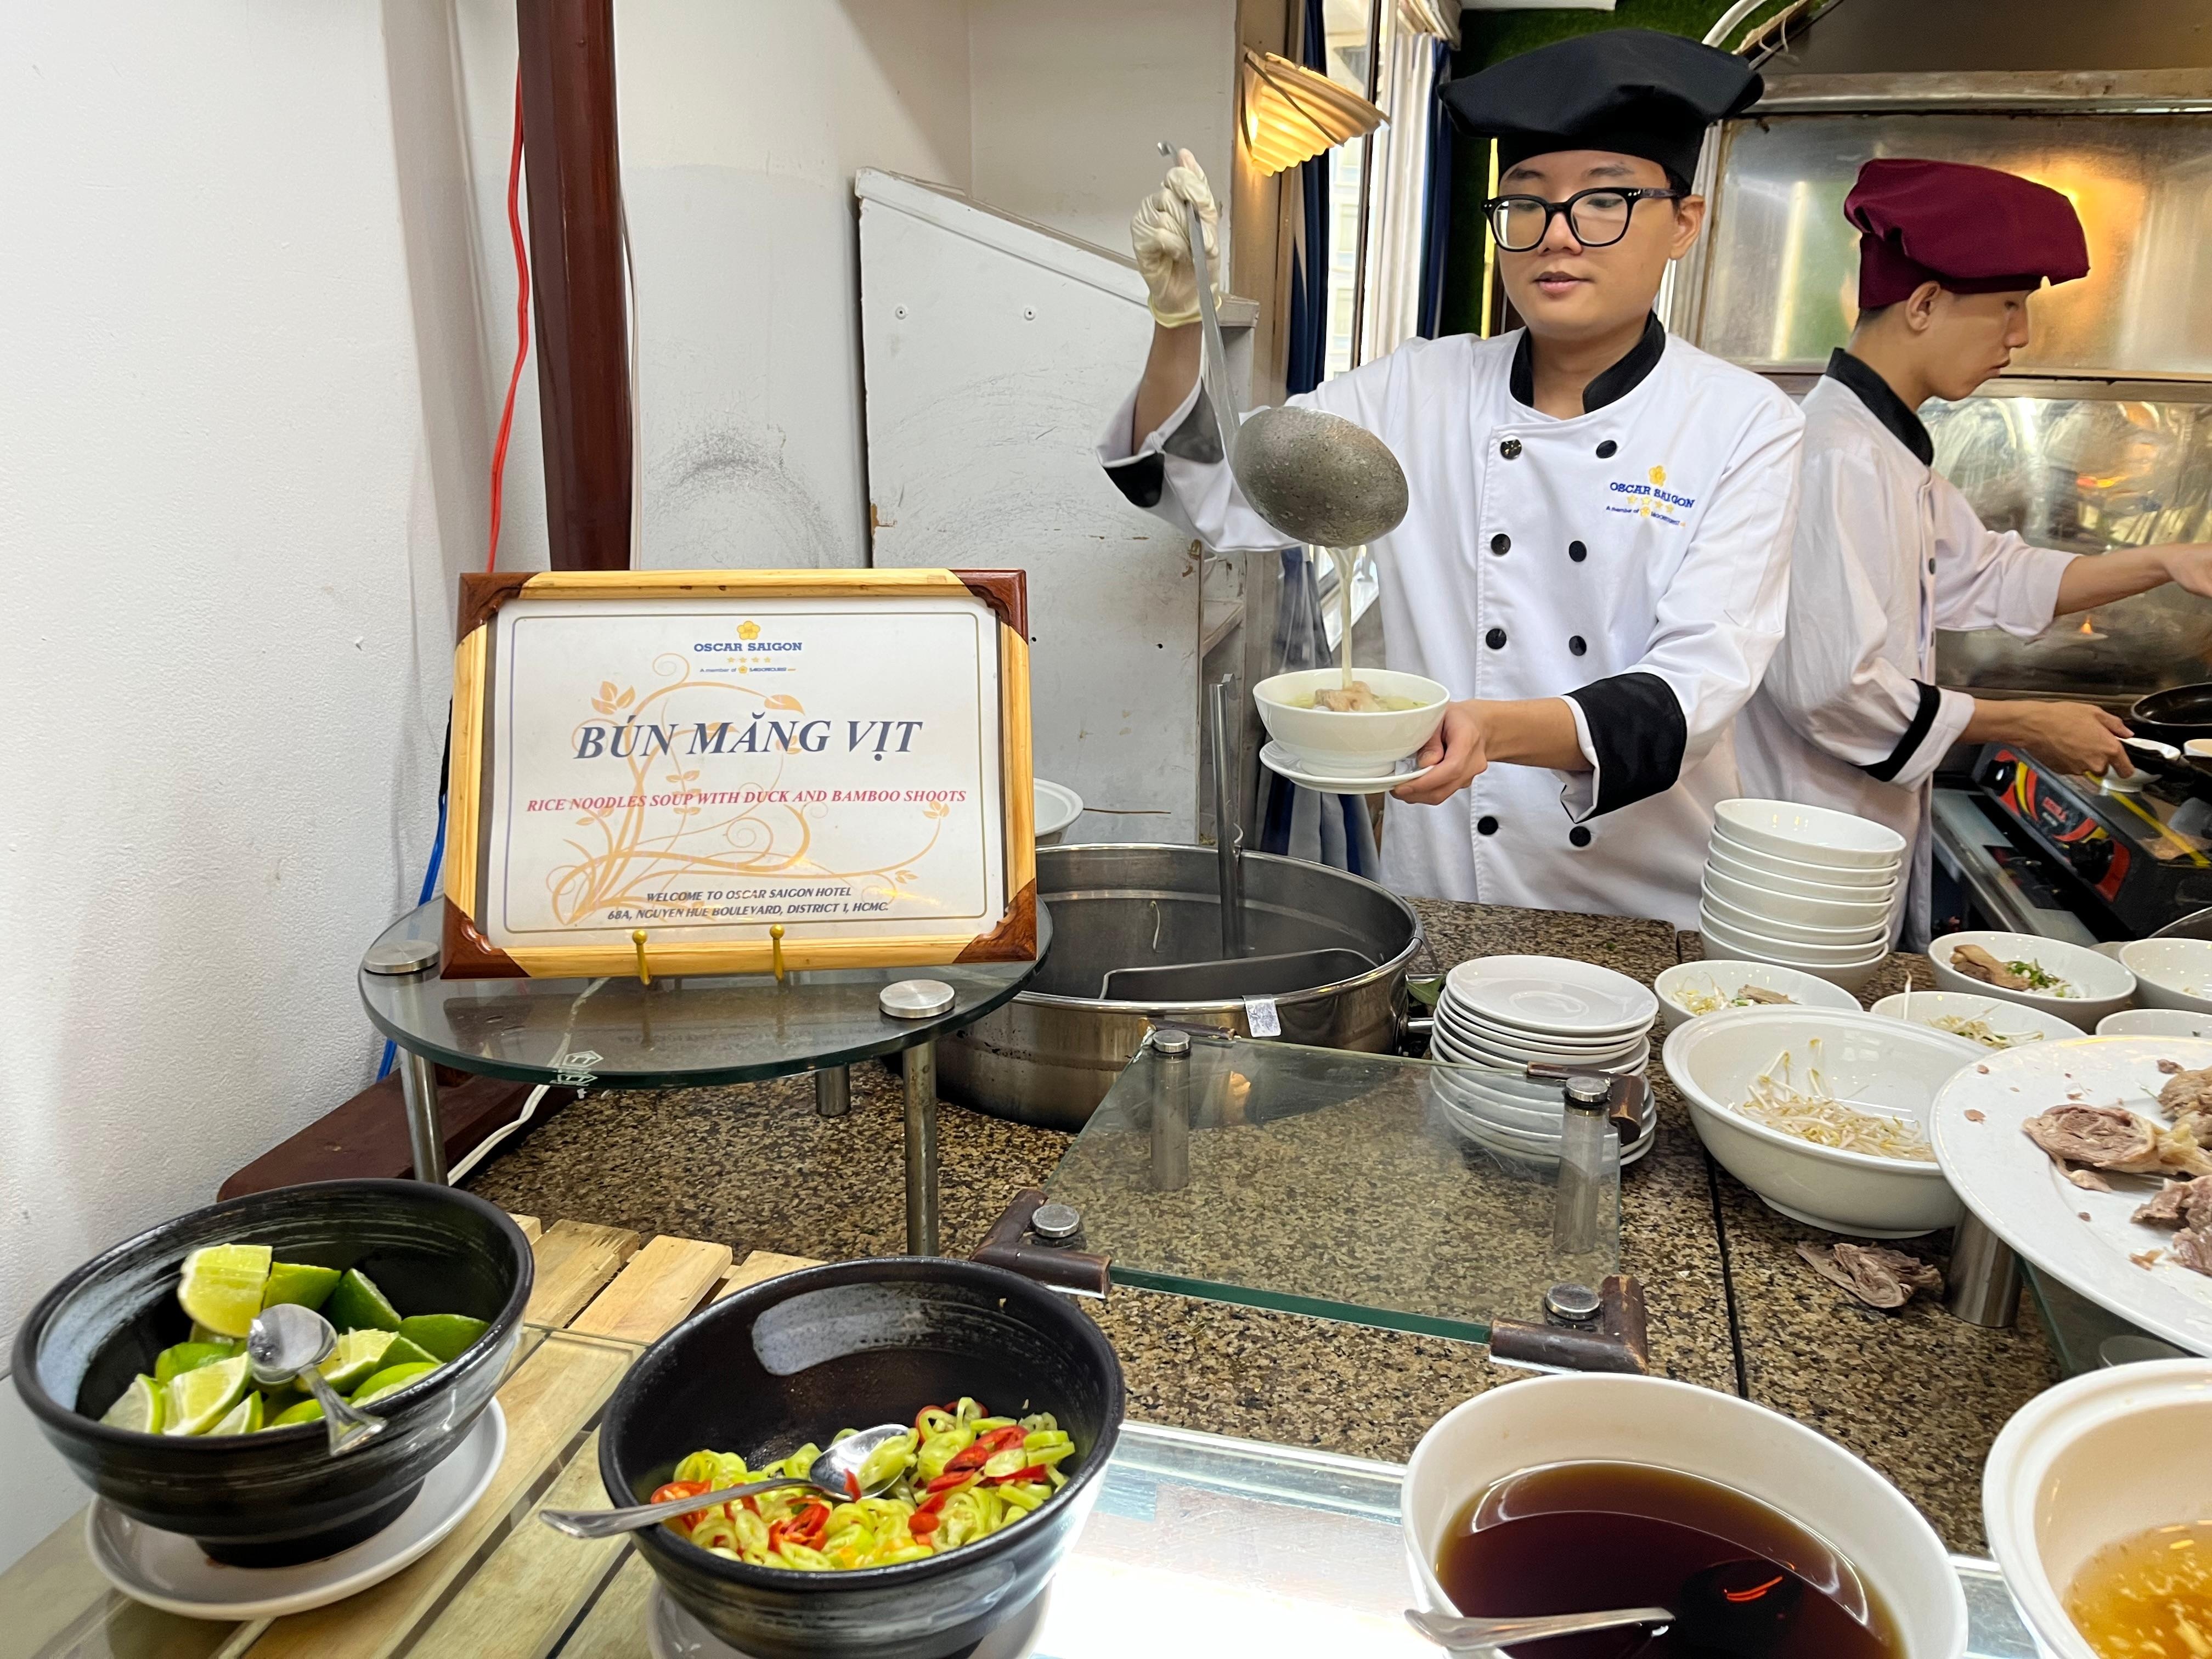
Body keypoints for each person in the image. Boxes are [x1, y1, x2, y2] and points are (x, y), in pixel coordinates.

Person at [1098, 30, 1805, 929]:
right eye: (1526, 204)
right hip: (1441, 890)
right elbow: (1221, 492)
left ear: (1684, 222)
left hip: (1644, 906)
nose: (1556, 237)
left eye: (1605, 203)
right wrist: (1177, 320)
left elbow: (1694, 688)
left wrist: (1493, 730)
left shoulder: (1743, 422)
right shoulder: (1420, 387)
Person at [1735, 157, 2212, 945]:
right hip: (1807, 847)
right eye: (2008, 307)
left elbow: (1991, 573)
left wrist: (2167, 560)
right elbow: (1831, 689)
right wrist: (2022, 721)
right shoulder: (1832, 455)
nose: (2019, 337)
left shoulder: (1883, 446)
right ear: (1923, 304)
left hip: (1851, 839)